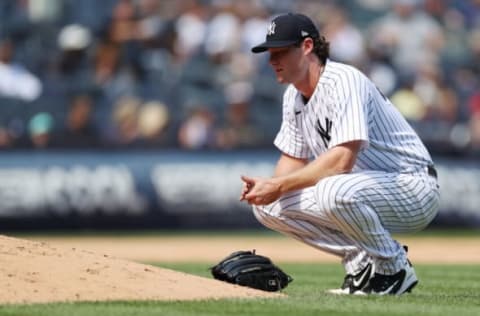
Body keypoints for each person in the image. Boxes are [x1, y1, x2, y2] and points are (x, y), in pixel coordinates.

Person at [240, 13, 440, 295]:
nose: (272, 60)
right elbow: (292, 161)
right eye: (270, 52)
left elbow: (341, 161)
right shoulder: (293, 97)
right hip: (363, 190)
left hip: (411, 186)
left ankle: (393, 267)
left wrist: (280, 185)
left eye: (281, 51)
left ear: (307, 46)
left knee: (332, 189)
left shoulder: (343, 80)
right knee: (266, 206)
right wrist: (270, 188)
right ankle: (362, 266)